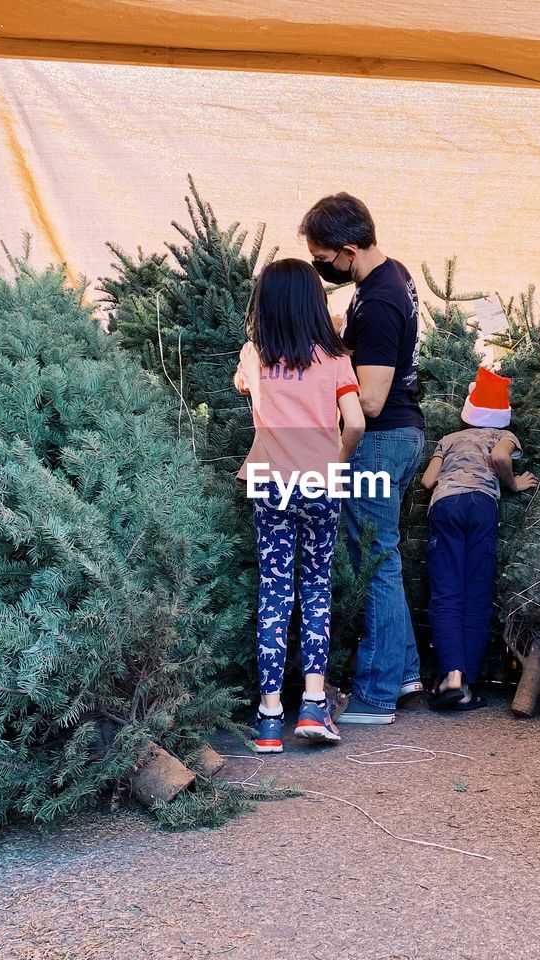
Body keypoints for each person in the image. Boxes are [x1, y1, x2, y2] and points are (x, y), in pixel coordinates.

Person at [300, 193, 426, 725]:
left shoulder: (376, 301)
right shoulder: (390, 275)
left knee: (375, 563)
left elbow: (370, 400)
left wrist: (326, 362)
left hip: (379, 439)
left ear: (349, 249)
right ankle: (404, 672)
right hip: (400, 435)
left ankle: (375, 696)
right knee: (385, 558)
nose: (320, 269)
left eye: (322, 260)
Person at [234, 259, 365, 753]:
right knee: (315, 587)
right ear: (316, 303)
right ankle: (314, 706)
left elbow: (243, 385)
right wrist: (335, 461)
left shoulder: (253, 353)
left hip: (269, 481)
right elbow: (354, 422)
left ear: (263, 304)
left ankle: (269, 718)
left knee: (274, 590)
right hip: (320, 483)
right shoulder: (334, 360)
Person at [420, 367, 537, 710]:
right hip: (482, 507)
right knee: (476, 593)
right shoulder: (505, 437)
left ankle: (451, 675)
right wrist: (512, 484)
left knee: (446, 591)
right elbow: (501, 458)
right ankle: (466, 685)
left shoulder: (450, 439)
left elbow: (428, 482)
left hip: (446, 506)